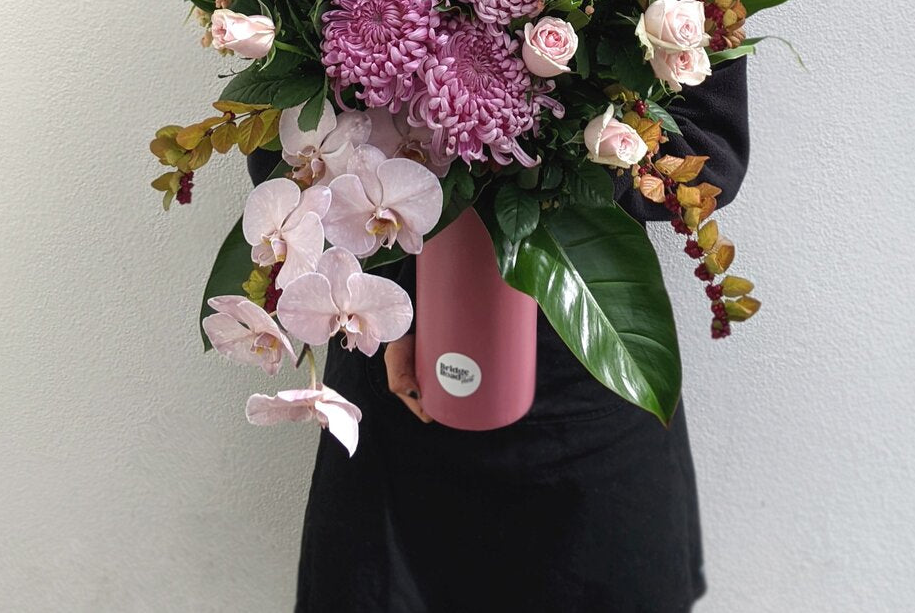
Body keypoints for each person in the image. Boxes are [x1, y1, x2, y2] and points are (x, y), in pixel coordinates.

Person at [250, 56, 749, 613]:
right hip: (387, 358)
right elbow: (280, 147)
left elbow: (711, 153)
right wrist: (388, 292)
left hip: (584, 365)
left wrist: (519, 141)